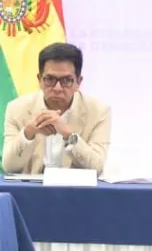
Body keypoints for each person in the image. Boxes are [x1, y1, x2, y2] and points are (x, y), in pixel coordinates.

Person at [2, 42, 111, 175]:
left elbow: (97, 168)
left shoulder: (99, 112)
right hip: (30, 192)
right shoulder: (17, 109)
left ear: (78, 82)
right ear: (40, 80)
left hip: (76, 192)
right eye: (50, 79)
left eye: (66, 80)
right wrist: (28, 132)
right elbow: (8, 167)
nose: (58, 88)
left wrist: (68, 135)